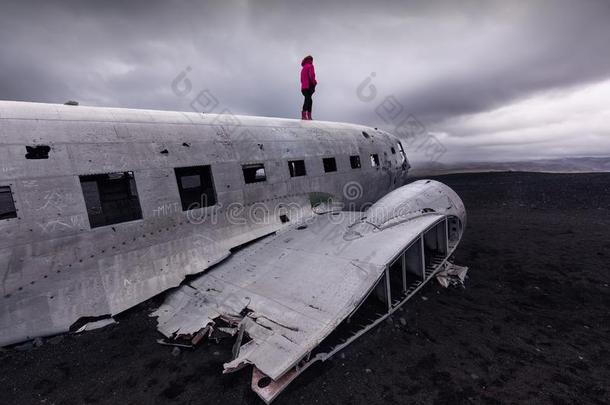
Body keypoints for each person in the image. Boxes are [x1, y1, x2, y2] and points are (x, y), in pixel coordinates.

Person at [300, 55, 317, 120]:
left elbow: (301, 79)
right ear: (311, 60)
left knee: (309, 99)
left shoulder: (303, 68)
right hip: (308, 86)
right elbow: (311, 76)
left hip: (303, 87)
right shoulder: (310, 66)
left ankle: (306, 115)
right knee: (308, 99)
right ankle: (306, 115)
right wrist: (315, 82)